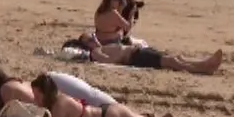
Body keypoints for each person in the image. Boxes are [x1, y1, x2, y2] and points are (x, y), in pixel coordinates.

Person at [29, 74, 210, 117]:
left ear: (45, 93)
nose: (35, 100)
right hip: (108, 114)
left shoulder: (61, 104)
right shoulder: (56, 103)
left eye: (37, 95)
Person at [88, 40, 223, 76]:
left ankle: (204, 64)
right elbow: (109, 62)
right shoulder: (95, 51)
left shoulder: (103, 46)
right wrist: (123, 55)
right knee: (172, 61)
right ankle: (202, 69)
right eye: (89, 39)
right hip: (136, 57)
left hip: (139, 52)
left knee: (175, 58)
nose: (93, 39)